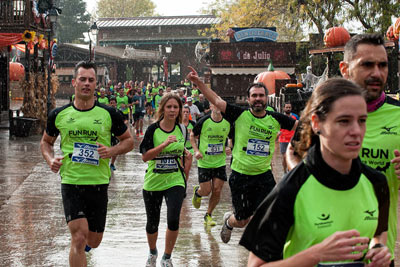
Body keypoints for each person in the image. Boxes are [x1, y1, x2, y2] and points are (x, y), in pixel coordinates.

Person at [241, 78, 391, 267]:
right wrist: (316, 255)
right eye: (344, 121)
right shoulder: (290, 189)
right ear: (316, 123)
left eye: (361, 121)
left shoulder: (376, 182)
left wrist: (378, 250)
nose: (356, 131)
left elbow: (378, 235)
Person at [286, 33, 400, 266]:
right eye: (367, 65)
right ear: (345, 68)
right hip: (321, 246)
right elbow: (293, 152)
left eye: (383, 65)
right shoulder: (323, 108)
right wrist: (305, 185)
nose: (377, 73)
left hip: (376, 250)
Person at [187, 67, 297, 243]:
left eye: (261, 95)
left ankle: (263, 252)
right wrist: (199, 83)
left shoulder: (276, 118)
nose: (258, 99)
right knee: (242, 220)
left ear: (266, 98)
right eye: (254, 96)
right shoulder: (239, 115)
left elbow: (301, 126)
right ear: (248, 99)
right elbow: (215, 99)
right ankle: (229, 222)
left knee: (270, 215)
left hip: (264, 176)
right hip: (241, 177)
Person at [40, 61, 134, 266]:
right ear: (74, 82)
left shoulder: (109, 114)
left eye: (91, 80)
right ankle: (78, 249)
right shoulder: (59, 115)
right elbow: (46, 143)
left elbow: (129, 142)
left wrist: (111, 151)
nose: (86, 83)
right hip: (71, 182)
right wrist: (51, 160)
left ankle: (81, 248)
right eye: (82, 79)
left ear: (95, 84)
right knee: (79, 237)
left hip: (98, 183)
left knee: (94, 240)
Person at [139, 93, 192, 267]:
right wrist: (164, 145)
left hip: (175, 180)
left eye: (175, 107)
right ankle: (152, 252)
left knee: (173, 219)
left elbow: (186, 156)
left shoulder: (183, 130)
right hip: (154, 181)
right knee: (152, 223)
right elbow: (145, 157)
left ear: (179, 110)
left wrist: (187, 169)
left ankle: (167, 257)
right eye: (168, 107)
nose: (172, 110)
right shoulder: (153, 130)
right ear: (162, 108)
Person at [190, 103, 231, 226]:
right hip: (205, 162)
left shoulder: (228, 122)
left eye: (219, 105)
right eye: (214, 105)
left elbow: (231, 137)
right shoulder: (203, 121)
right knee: (206, 191)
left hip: (219, 162)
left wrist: (228, 146)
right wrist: (196, 151)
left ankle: (208, 215)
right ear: (211, 107)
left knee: (217, 190)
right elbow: (192, 135)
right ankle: (198, 192)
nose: (217, 107)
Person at [279, 102, 297, 173]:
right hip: (283, 139)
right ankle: (284, 171)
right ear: (284, 108)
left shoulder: (295, 117)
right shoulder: (280, 117)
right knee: (284, 157)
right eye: (287, 107)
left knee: (292, 156)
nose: (288, 109)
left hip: (292, 139)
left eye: (289, 107)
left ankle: (290, 171)